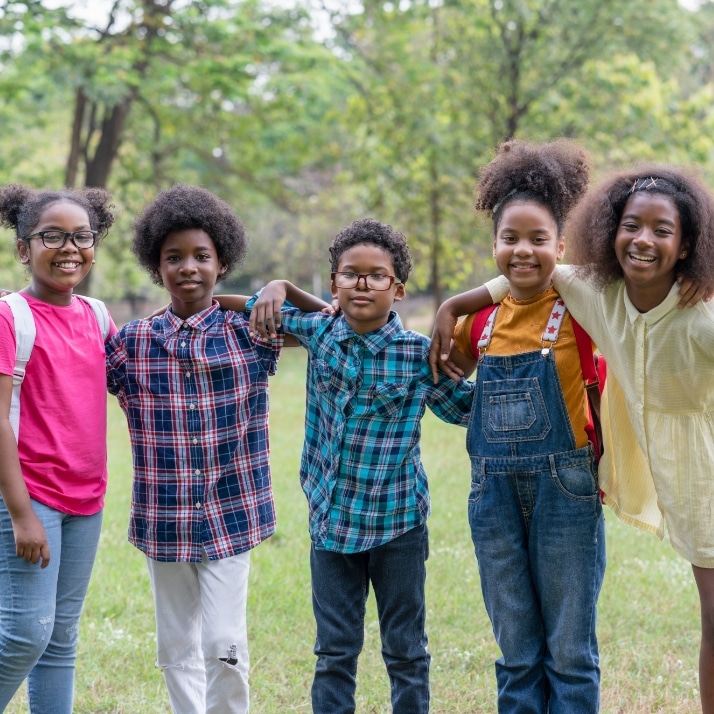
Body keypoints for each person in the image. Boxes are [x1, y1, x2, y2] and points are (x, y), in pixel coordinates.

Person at [431, 163, 714, 714]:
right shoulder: (595, 294)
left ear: (686, 247)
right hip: (629, 475)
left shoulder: (695, 318)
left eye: (663, 230)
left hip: (692, 471)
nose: (644, 240)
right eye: (632, 225)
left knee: (707, 622)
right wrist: (454, 305)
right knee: (520, 643)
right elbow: (527, 273)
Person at [104, 184, 327, 714]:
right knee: (175, 643)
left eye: (201, 256)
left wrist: (281, 288)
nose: (188, 268)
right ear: (156, 268)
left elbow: (336, 326)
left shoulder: (250, 330)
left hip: (233, 512)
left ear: (222, 262)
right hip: (164, 517)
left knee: (223, 642)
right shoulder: (132, 342)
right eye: (173, 258)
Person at [242, 217, 474, 714]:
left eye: (377, 275)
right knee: (333, 653)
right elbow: (232, 306)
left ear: (399, 289)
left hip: (398, 527)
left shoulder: (419, 356)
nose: (363, 284)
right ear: (333, 286)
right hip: (330, 526)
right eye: (351, 274)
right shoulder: (319, 333)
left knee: (407, 652)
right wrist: (277, 287)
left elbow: (469, 410)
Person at [427, 140, 606, 713]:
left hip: (568, 492)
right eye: (510, 238)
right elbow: (440, 381)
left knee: (570, 652)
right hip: (493, 497)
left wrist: (454, 299)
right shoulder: (482, 321)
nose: (522, 251)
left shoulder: (582, 304)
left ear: (562, 244)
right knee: (516, 649)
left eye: (538, 239)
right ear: (494, 243)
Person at [0, 184, 116, 712]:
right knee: (25, 634)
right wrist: (22, 514)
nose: (70, 248)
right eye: (53, 236)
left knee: (59, 641)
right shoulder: (10, 317)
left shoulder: (95, 314)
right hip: (30, 498)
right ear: (24, 248)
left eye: (82, 236)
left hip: (86, 501)